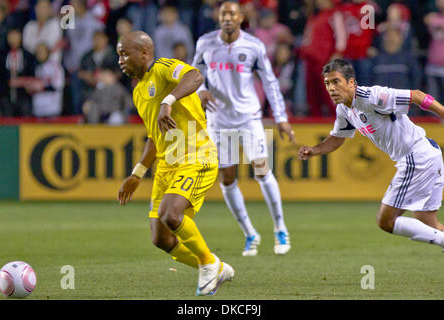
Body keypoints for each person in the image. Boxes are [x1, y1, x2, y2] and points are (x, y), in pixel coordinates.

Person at [116, 31, 233, 296]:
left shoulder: (163, 68)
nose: (121, 60)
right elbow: (154, 137)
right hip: (166, 166)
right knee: (161, 238)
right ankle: (216, 265)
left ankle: (206, 263)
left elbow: (196, 76)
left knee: (171, 214)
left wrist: (168, 101)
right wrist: (137, 173)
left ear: (144, 53)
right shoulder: (138, 92)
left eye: (125, 54)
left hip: (196, 155)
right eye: (118, 55)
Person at [298, 59, 444, 251]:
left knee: (386, 220)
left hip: (416, 157)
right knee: (427, 222)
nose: (331, 88)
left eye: (336, 82)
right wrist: (315, 150)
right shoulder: (344, 109)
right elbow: (338, 137)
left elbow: (417, 96)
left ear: (351, 82)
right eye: (327, 84)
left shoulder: (372, 97)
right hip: (427, 153)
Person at [192, 1, 295, 257]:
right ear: (219, 18)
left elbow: (270, 83)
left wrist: (281, 117)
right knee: (227, 179)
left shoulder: (253, 45)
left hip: (249, 117)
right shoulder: (205, 43)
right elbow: (192, 73)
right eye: (223, 13)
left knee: (261, 171)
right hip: (218, 120)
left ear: (240, 18)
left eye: (232, 14)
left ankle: (280, 228)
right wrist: (201, 90)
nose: (227, 17)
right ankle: (250, 233)